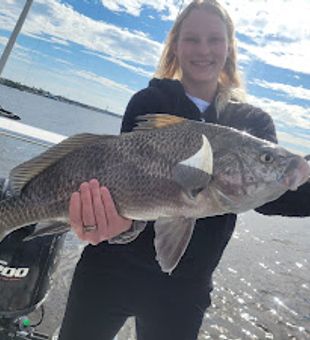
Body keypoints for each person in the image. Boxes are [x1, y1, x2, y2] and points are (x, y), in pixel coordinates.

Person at [58, 1, 310, 339]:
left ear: (229, 47)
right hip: (109, 271)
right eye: (192, 39)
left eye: (214, 39)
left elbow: (270, 197)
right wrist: (119, 228)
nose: (203, 50)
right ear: (175, 46)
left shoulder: (253, 123)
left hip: (184, 290)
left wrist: (296, 175)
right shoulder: (148, 102)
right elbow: (122, 182)